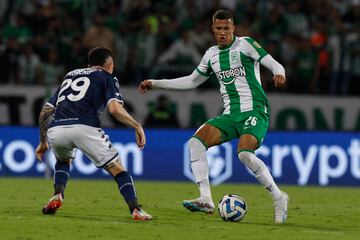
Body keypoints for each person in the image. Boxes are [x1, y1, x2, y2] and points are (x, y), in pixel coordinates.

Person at [139, 10, 288, 223]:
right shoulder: (211, 55)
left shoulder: (245, 45)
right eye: (218, 29)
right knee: (195, 142)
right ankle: (206, 198)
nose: (222, 33)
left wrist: (279, 72)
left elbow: (272, 62)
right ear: (213, 30)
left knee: (244, 154)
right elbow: (192, 81)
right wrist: (156, 83)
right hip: (230, 115)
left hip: (255, 110)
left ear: (233, 29)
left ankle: (278, 197)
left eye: (226, 29)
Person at [35, 47, 152, 221]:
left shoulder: (70, 74)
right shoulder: (107, 76)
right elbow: (114, 109)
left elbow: (46, 110)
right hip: (84, 127)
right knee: (117, 168)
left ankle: (58, 194)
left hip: (56, 129)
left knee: (63, 160)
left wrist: (43, 141)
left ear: (90, 64)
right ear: (110, 65)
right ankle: (136, 209)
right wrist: (137, 126)